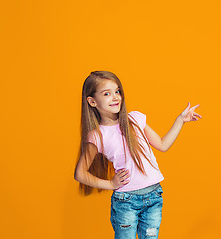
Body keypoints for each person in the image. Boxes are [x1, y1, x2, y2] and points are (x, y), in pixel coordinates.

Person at [74, 71, 202, 239]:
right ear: (92, 101)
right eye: (107, 93)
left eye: (117, 91)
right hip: (126, 201)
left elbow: (163, 145)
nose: (115, 97)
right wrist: (110, 184)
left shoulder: (135, 119)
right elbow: (80, 173)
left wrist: (180, 120)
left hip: (154, 197)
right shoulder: (98, 136)